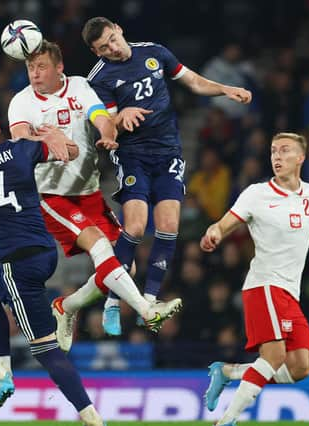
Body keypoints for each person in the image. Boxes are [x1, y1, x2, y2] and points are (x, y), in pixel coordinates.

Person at [82, 17, 252, 335]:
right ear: (96, 52)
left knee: (169, 225)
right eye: (103, 48)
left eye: (112, 40)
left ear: (119, 29)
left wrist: (225, 89)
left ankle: (149, 302)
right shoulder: (100, 78)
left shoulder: (155, 53)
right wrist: (119, 117)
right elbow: (102, 122)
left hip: (168, 153)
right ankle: (113, 303)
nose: (112, 49)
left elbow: (193, 81)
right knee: (134, 225)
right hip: (133, 155)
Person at [8, 40, 182, 349]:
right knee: (101, 248)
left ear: (59, 67)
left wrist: (107, 133)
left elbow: (101, 116)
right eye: (30, 68)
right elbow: (20, 140)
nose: (35, 74)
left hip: (88, 192)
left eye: (42, 67)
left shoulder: (79, 87)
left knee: (123, 266)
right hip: (51, 195)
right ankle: (147, 309)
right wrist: (48, 143)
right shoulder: (22, 103)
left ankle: (67, 307)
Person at [0, 103, 105, 426]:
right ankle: (3, 374)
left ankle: (92, 419)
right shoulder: (21, 151)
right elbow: (68, 152)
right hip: (44, 251)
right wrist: (53, 135)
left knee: (46, 350)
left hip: (19, 263)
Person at [199, 132, 309, 426]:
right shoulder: (256, 194)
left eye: (285, 151)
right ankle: (226, 421)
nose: (277, 156)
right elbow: (224, 223)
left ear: (300, 158)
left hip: (291, 292)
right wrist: (214, 232)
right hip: (264, 285)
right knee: (274, 356)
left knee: (300, 367)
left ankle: (227, 372)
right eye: (273, 151)